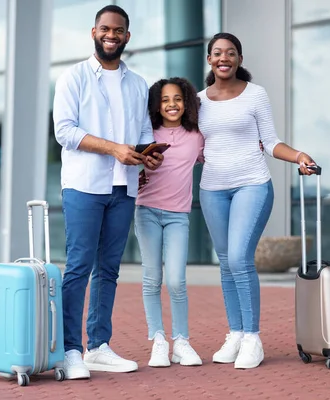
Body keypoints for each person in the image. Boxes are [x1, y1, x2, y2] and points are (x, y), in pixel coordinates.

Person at [52, 5, 163, 380]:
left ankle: (98, 346)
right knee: (80, 266)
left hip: (124, 188)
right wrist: (114, 148)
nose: (111, 35)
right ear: (93, 32)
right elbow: (64, 131)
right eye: (105, 29)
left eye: (118, 30)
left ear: (127, 37)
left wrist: (148, 156)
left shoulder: (137, 84)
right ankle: (69, 350)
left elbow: (145, 133)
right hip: (84, 185)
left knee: (109, 270)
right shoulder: (73, 77)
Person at [196, 32, 316, 370]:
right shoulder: (197, 100)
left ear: (239, 59)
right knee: (225, 261)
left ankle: (252, 338)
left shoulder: (255, 95)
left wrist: (298, 157)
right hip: (212, 189)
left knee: (239, 257)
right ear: (209, 60)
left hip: (252, 184)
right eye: (217, 53)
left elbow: (271, 142)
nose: (224, 58)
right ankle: (235, 333)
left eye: (230, 52)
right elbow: (189, 145)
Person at [134, 77, 204, 368]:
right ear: (156, 105)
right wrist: (140, 166)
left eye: (177, 98)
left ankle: (182, 342)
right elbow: (131, 162)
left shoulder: (197, 136)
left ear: (186, 102)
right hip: (146, 211)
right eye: (164, 100)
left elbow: (212, 157)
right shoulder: (146, 131)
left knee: (176, 280)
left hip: (178, 216)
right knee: (152, 279)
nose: (171, 104)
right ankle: (159, 341)